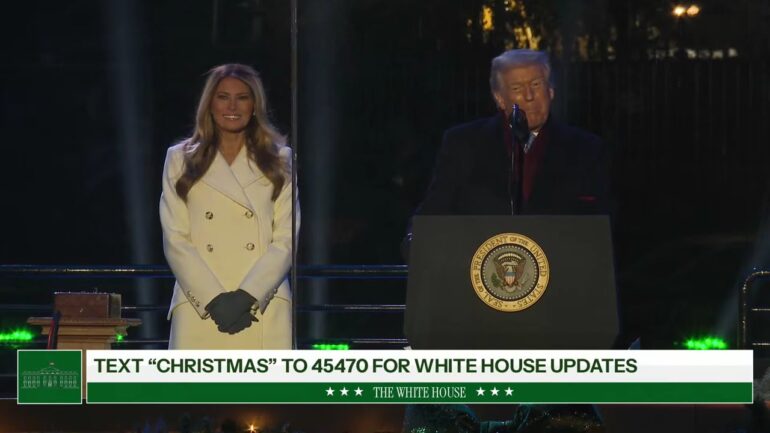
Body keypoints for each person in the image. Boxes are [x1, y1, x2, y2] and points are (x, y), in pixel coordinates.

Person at [159, 63, 297, 349]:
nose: (232, 106)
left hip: (261, 307)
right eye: (223, 97)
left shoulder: (280, 160)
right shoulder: (179, 159)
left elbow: (286, 239)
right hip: (201, 308)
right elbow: (175, 239)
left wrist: (248, 296)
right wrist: (213, 300)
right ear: (209, 104)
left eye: (242, 97)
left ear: (255, 105)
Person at [416, 49, 610, 218]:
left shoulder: (586, 149)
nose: (529, 96)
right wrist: (415, 242)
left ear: (551, 92)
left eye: (536, 85)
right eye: (517, 88)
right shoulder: (463, 144)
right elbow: (434, 213)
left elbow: (603, 225)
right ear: (500, 99)